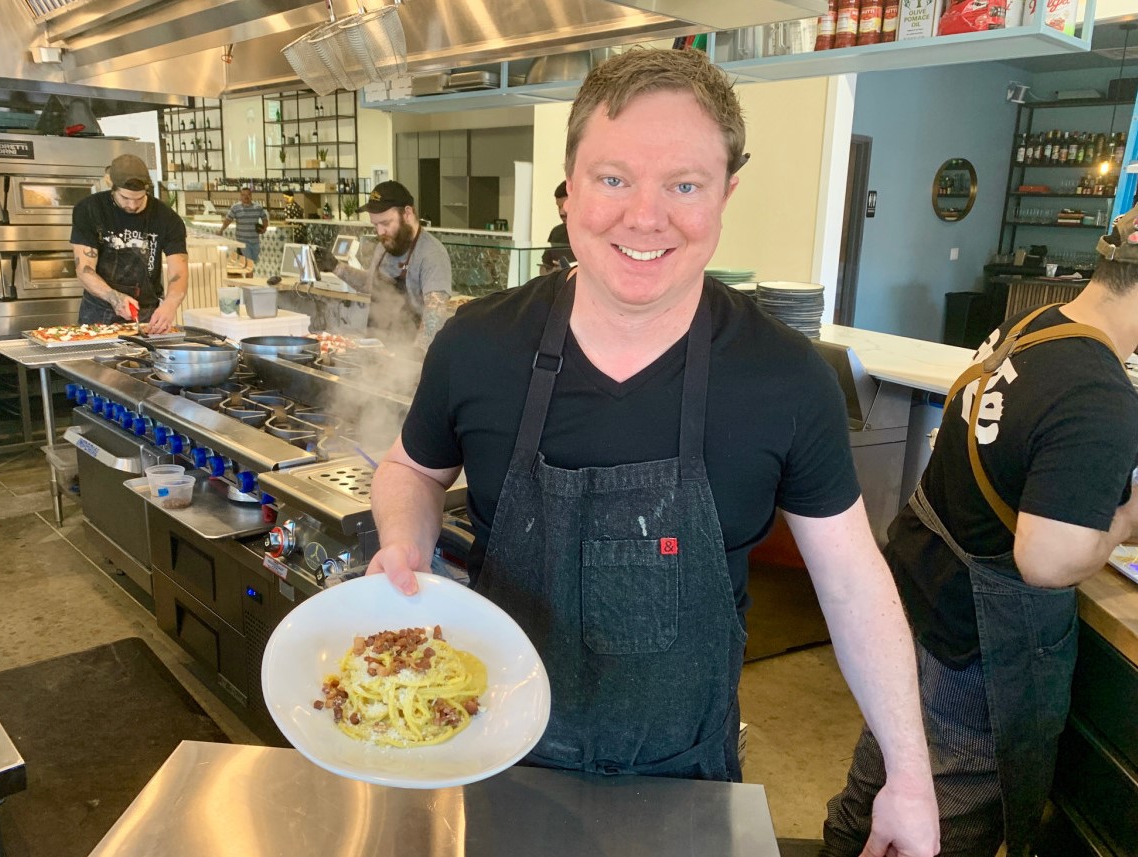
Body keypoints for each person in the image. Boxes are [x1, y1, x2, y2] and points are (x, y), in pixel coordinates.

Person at [366, 47, 939, 855]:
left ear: (726, 193)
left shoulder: (783, 376)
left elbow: (852, 581)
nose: (644, 217)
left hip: (686, 787)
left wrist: (909, 773)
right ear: (569, 188)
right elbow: (411, 469)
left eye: (683, 185)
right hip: (493, 755)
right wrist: (403, 539)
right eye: (613, 178)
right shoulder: (478, 344)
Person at [823, 207, 1138, 857]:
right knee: (946, 818)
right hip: (975, 645)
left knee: (885, 769)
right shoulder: (1099, 393)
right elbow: (1044, 560)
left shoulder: (1033, 326)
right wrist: (1126, 520)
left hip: (920, 589)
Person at [71, 154, 187, 334]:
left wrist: (170, 304)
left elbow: (179, 273)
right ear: (112, 186)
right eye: (125, 198)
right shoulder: (89, 209)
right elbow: (84, 270)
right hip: (98, 314)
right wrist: (114, 297)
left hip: (147, 315)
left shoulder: (167, 218)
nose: (132, 205)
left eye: (139, 198)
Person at [330, 180, 452, 351]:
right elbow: (371, 284)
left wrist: (415, 355)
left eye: (386, 223)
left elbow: (435, 315)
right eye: (375, 225)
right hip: (375, 349)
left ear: (407, 214)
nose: (380, 232)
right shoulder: (384, 246)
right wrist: (336, 267)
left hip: (407, 356)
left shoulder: (431, 254)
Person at [221, 187, 268, 265]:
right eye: (243, 195)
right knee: (248, 264)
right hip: (242, 242)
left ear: (251, 196)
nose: (246, 196)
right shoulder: (235, 207)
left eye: (248, 194)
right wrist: (221, 230)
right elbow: (228, 220)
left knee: (252, 264)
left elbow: (264, 218)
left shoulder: (258, 207)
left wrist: (264, 228)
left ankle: (249, 273)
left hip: (255, 241)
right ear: (240, 196)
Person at [539, 180, 575, 274]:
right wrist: (554, 273)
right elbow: (544, 268)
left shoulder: (596, 234)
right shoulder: (556, 232)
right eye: (559, 207)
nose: (561, 212)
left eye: (566, 206)